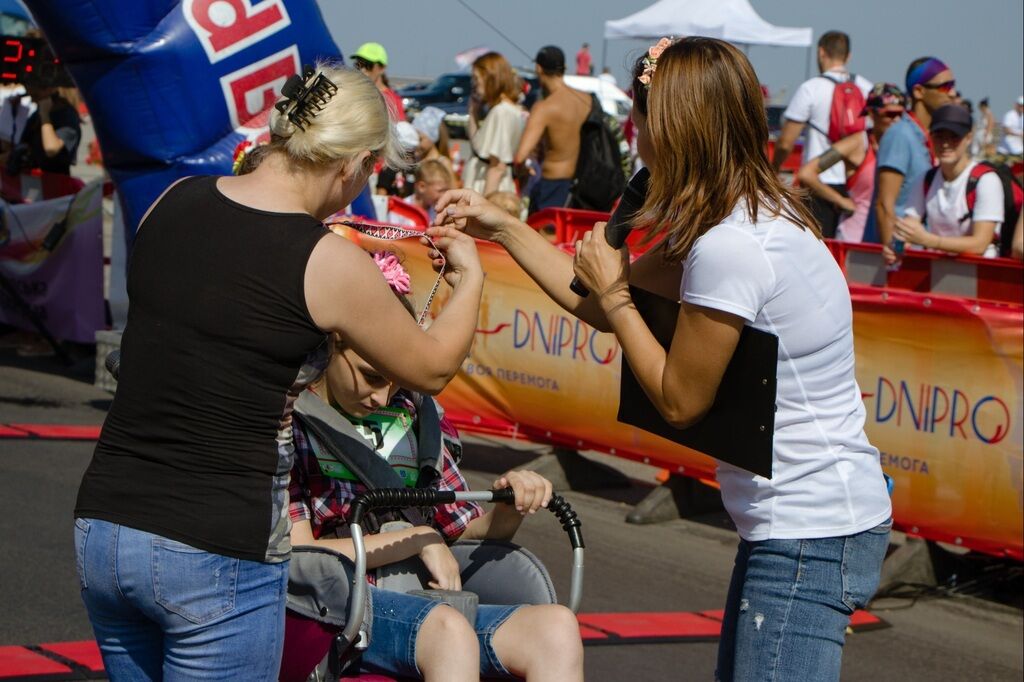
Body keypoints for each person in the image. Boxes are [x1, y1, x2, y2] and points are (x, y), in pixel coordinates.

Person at [433, 37, 891, 681]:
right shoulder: (739, 217)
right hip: (798, 526)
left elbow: (680, 398)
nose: (633, 136)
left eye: (641, 121)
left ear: (674, 130)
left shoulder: (732, 246)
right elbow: (589, 298)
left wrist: (618, 291)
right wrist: (505, 227)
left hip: (809, 532)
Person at [73, 62, 484, 680]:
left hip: (107, 526)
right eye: (371, 169)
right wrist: (470, 279)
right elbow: (430, 368)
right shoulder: (323, 261)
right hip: (215, 544)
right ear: (350, 163)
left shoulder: (169, 201)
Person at [289, 251, 584, 682]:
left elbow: (460, 532)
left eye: (396, 376)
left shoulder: (416, 415)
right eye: (371, 376)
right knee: (449, 632)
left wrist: (509, 504)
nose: (382, 396)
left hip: (428, 600)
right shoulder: (293, 422)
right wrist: (418, 539)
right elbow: (297, 554)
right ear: (333, 343)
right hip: (339, 606)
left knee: (556, 628)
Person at [773, 30, 872, 237]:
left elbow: (785, 143)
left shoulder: (810, 89)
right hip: (854, 187)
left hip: (816, 183)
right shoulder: (865, 87)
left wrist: (773, 170)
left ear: (821, 52)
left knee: (816, 248)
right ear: (848, 56)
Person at [797, 83, 906, 242]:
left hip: (892, 237)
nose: (896, 120)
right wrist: (840, 200)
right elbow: (806, 174)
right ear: (871, 114)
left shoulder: (904, 144)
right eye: (889, 114)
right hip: (856, 238)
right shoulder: (858, 143)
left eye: (900, 115)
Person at [874, 56, 957, 261]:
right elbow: (885, 205)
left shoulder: (929, 137)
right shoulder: (900, 135)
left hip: (920, 251)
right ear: (919, 91)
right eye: (944, 87)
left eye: (952, 85)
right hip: (898, 255)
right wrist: (893, 258)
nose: (952, 93)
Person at [894, 104, 1004, 258]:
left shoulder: (986, 181)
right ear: (930, 137)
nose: (946, 144)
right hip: (940, 271)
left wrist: (930, 241)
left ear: (968, 138)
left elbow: (980, 244)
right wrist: (897, 247)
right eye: (939, 136)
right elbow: (909, 225)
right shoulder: (926, 179)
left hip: (979, 275)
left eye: (954, 136)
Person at [514, 46, 591, 214]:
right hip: (582, 183)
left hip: (552, 183)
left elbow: (520, 156)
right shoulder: (586, 100)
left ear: (539, 68)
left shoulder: (544, 108)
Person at [463, 52, 525, 196]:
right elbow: (478, 146)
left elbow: (497, 166)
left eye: (477, 79)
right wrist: (473, 113)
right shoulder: (508, 110)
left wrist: (486, 204)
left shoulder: (501, 112)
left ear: (490, 78)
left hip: (488, 189)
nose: (475, 85)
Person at [352, 42, 406, 121]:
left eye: (368, 65)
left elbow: (400, 129)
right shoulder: (352, 94)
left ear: (382, 68)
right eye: (358, 65)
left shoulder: (392, 101)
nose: (362, 70)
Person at [411, 105, 454, 172]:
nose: (416, 143)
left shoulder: (443, 164)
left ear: (433, 138)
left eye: (420, 139)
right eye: (413, 137)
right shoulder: (414, 161)